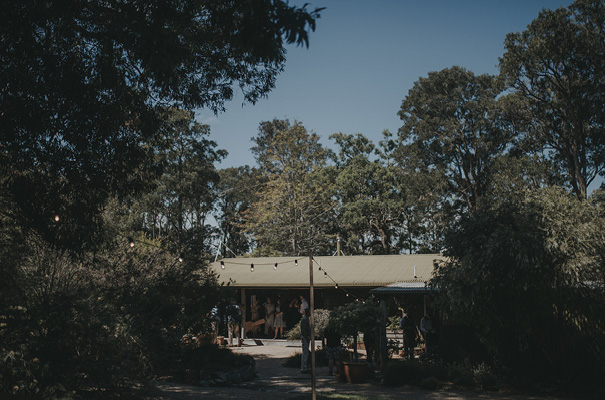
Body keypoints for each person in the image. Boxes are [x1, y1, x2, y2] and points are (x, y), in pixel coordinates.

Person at [300, 308, 311, 373]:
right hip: (305, 337)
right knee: (305, 353)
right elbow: (303, 330)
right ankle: (304, 368)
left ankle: (305, 367)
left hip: (306, 337)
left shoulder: (307, 319)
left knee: (306, 352)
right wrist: (307, 338)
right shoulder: (305, 319)